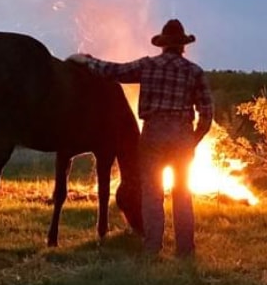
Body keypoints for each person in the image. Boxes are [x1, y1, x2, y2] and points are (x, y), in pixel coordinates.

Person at [70, 19, 214, 258]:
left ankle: (152, 247)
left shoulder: (148, 66)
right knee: (182, 192)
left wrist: (87, 60)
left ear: (163, 45)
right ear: (183, 46)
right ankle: (185, 250)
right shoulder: (194, 71)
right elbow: (207, 112)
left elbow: (113, 71)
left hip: (153, 132)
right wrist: (194, 138)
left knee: (152, 192)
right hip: (182, 134)